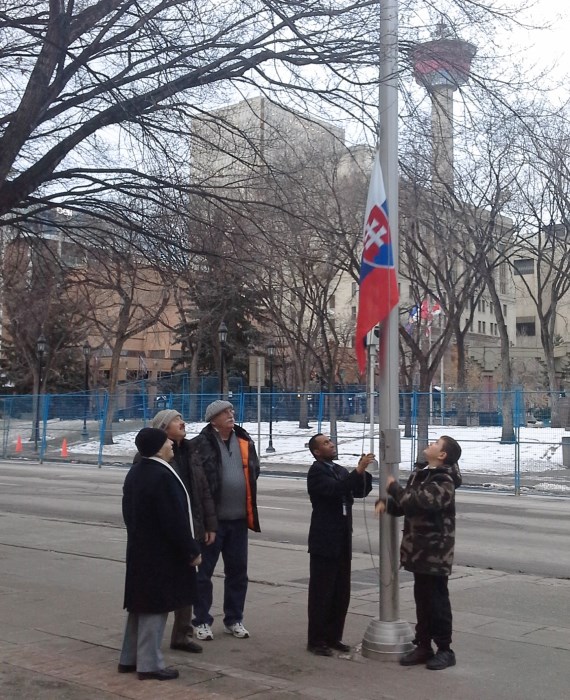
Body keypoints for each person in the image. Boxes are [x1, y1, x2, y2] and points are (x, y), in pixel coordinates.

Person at [118, 427, 202, 681]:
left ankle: (129, 658)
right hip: (161, 555)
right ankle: (149, 664)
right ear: (157, 448)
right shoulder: (161, 475)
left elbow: (128, 512)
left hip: (140, 550)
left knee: (139, 607)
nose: (171, 444)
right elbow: (174, 519)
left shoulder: (136, 472)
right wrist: (191, 550)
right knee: (156, 607)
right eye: (167, 442)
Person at [375, 435, 462, 671]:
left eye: (435, 444)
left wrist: (394, 488)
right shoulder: (421, 474)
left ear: (442, 455)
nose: (430, 444)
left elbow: (423, 502)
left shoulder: (445, 479)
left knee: (437, 602)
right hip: (417, 550)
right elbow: (408, 505)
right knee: (422, 600)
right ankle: (424, 645)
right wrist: (388, 504)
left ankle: (445, 649)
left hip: (435, 552)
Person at [189, 400, 260, 641]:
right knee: (203, 574)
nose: (231, 414)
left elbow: (254, 470)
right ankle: (201, 620)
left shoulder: (244, 440)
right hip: (213, 523)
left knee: (238, 573)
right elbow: (197, 484)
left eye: (231, 411)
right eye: (225, 412)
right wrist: (204, 522)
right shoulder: (199, 444)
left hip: (239, 520)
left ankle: (234, 619)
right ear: (213, 420)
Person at [147, 409, 217, 654]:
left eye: (181, 418)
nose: (182, 422)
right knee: (164, 584)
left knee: (189, 583)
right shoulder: (152, 457)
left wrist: (210, 524)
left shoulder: (190, 450)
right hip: (167, 532)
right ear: (163, 428)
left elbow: (203, 490)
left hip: (191, 526)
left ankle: (182, 635)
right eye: (176, 420)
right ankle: (150, 638)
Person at [306, 433, 374, 656]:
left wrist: (362, 473)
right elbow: (336, 489)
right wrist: (358, 471)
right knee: (322, 593)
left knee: (340, 592)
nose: (331, 444)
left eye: (330, 441)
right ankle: (316, 640)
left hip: (343, 539)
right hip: (325, 540)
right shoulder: (316, 471)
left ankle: (334, 636)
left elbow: (359, 490)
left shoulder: (339, 469)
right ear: (317, 451)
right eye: (326, 443)